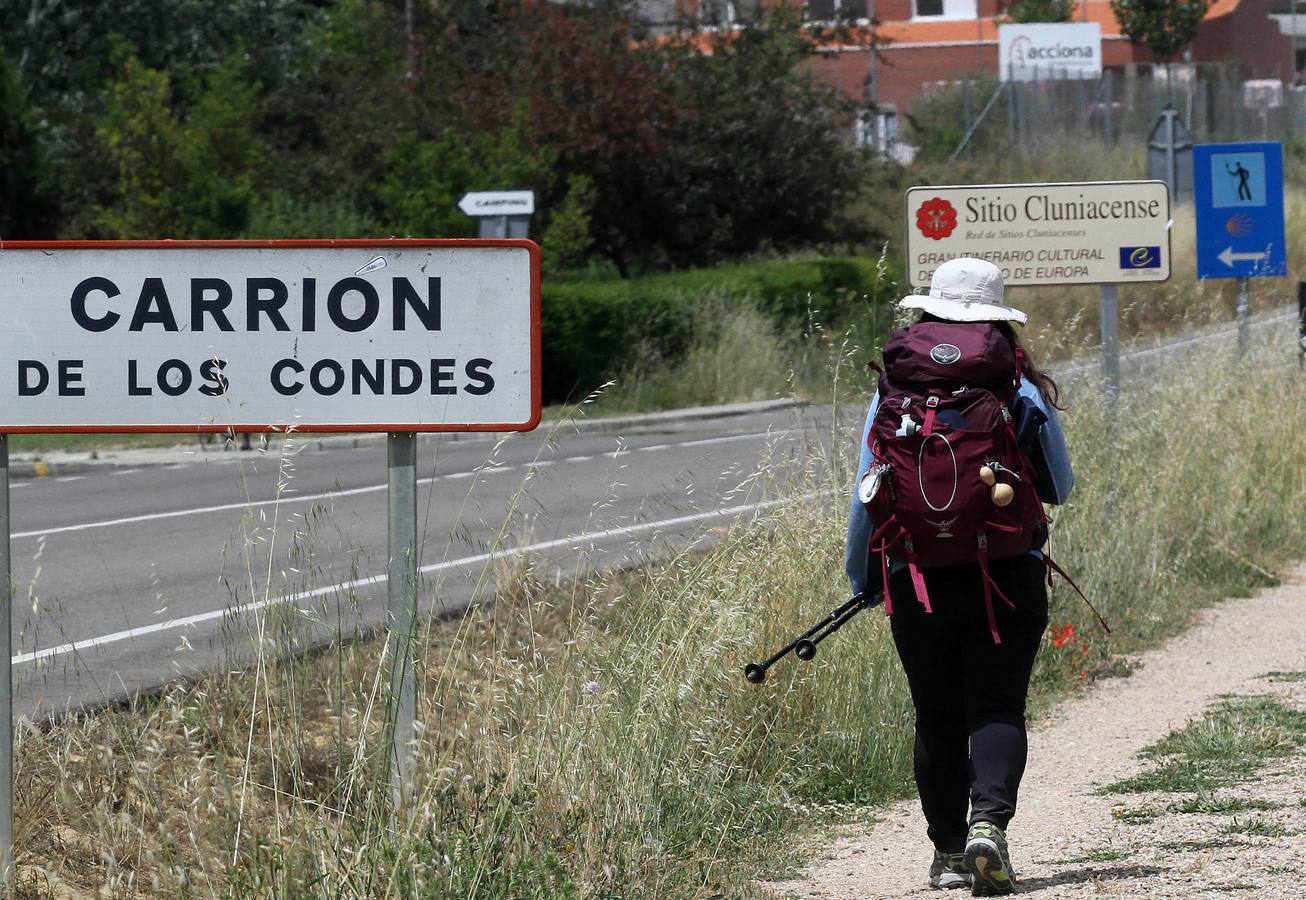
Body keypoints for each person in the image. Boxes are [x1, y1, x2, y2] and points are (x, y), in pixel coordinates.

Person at [844, 258, 1073, 895]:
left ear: (926, 313)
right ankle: (988, 828)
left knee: (935, 715)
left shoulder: (892, 392)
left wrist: (863, 577)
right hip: (1005, 575)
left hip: (915, 576)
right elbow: (1061, 486)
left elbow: (865, 491)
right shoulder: (1015, 387)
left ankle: (946, 853)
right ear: (997, 320)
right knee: (996, 705)